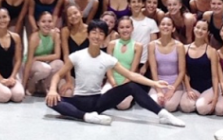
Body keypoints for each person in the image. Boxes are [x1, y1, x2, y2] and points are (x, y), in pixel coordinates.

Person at [45, 19, 185, 127]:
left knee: (131, 86)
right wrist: (52, 90)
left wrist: (154, 83)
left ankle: (163, 114)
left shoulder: (107, 59)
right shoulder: (77, 56)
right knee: (50, 101)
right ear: (88, 35)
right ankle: (86, 117)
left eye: (101, 33)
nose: (97, 36)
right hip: (79, 100)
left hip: (98, 101)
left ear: (105, 38)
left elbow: (131, 75)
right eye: (94, 32)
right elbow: (58, 75)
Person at [101, 17, 143, 109]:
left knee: (122, 105)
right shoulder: (112, 44)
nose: (125, 30)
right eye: (122, 27)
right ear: (118, 29)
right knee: (100, 101)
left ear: (132, 28)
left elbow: (133, 70)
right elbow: (109, 67)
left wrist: (122, 86)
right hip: (112, 81)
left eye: (127, 27)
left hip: (127, 83)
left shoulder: (138, 46)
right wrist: (113, 83)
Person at [180, 20, 219, 115]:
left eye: (204, 29)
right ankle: (197, 101)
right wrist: (188, 89)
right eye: (198, 27)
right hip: (193, 87)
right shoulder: (185, 48)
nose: (200, 31)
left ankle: (203, 102)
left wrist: (215, 95)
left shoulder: (211, 51)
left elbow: (215, 76)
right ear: (194, 29)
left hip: (208, 87)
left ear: (208, 32)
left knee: (202, 109)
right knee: (185, 107)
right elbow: (184, 72)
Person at [148, 16, 186, 112]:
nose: (166, 27)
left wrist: (172, 89)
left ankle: (178, 97)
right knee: (154, 104)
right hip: (158, 82)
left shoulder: (179, 46)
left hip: (175, 84)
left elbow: (182, 71)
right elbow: (153, 69)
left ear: (173, 29)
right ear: (159, 27)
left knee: (170, 106)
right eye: (163, 24)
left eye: (169, 25)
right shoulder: (152, 45)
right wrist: (159, 90)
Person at [22, 12, 64, 95]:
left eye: (49, 21)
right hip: (31, 64)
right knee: (45, 69)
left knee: (60, 64)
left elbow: (57, 55)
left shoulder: (55, 35)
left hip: (41, 61)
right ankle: (31, 83)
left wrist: (38, 58)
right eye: (43, 21)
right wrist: (23, 84)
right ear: (38, 23)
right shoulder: (35, 37)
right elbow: (29, 61)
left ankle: (44, 85)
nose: (47, 24)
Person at [128, 0, 159, 79]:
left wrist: (146, 65)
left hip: (144, 63)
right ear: (129, 4)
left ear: (142, 4)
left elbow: (153, 47)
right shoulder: (126, 21)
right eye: (133, 2)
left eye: (139, 2)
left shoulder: (151, 22)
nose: (136, 4)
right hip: (129, 62)